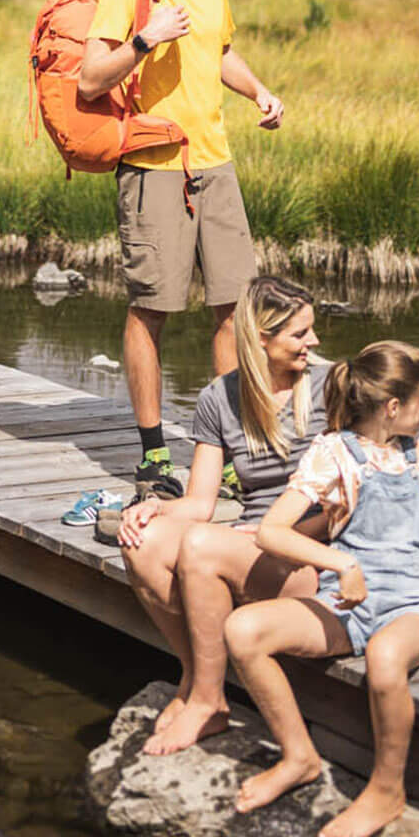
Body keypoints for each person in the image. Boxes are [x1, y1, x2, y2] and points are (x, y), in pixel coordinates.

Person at [223, 340, 419, 837]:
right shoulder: (334, 453)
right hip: (349, 602)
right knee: (243, 630)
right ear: (393, 407)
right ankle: (298, 755)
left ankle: (387, 790)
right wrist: (340, 562)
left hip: (413, 602)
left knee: (386, 658)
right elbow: (272, 532)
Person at [79, 0, 284, 498]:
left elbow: (219, 51)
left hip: (214, 163)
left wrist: (259, 90)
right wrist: (146, 38)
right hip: (153, 168)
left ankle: (222, 450)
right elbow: (90, 80)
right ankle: (152, 457)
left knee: (232, 308)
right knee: (153, 309)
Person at [117, 276, 329, 756]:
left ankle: (209, 702)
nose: (313, 343)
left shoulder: (331, 387)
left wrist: (281, 534)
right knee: (142, 540)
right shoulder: (218, 398)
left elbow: (356, 500)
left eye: (311, 331)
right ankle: (195, 677)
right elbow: (200, 504)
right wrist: (154, 508)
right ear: (260, 340)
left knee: (199, 545)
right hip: (249, 545)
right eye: (300, 334)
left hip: (312, 554)